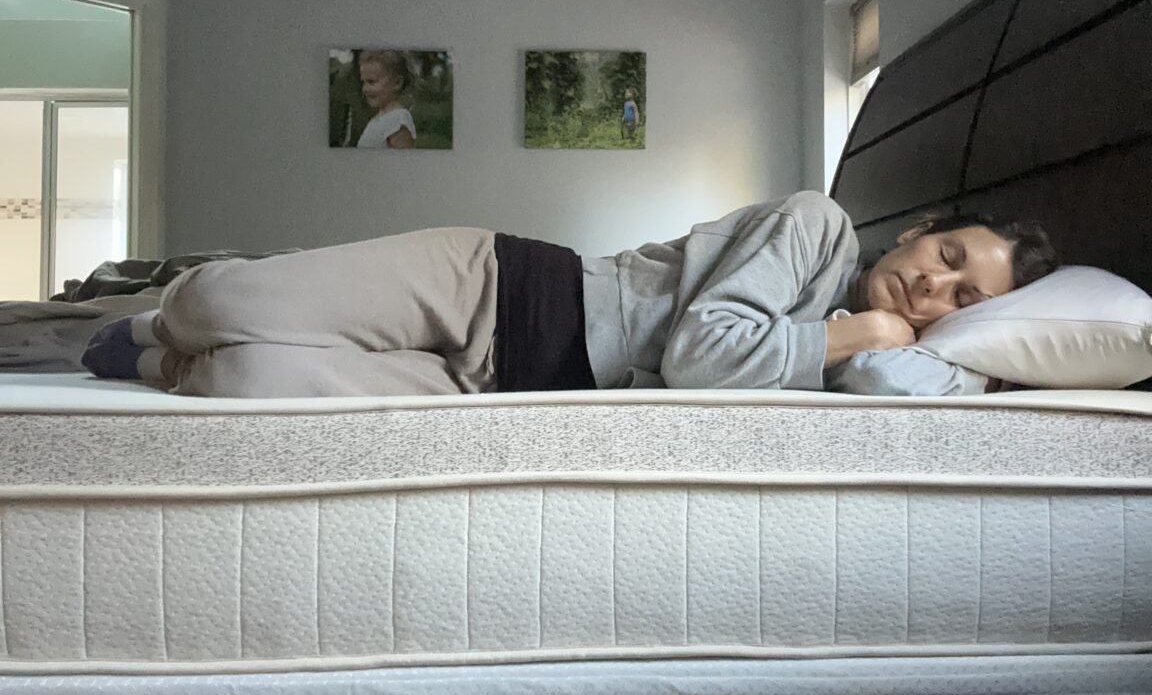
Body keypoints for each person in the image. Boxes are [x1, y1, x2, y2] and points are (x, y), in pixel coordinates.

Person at [82, 192, 1057, 400]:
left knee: (238, 384)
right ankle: (152, 324)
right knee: (212, 309)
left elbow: (916, 391)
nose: (934, 282)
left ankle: (160, 357)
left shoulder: (885, 357)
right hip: (505, 289)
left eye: (961, 296)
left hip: (518, 393)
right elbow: (703, 352)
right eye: (946, 250)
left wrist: (964, 366)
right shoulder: (818, 230)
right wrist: (865, 331)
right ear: (917, 231)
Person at [355, 50, 416, 149]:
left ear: (397, 83)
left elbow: (405, 162)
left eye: (371, 82)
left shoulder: (398, 119)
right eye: (363, 82)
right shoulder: (378, 119)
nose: (364, 89)